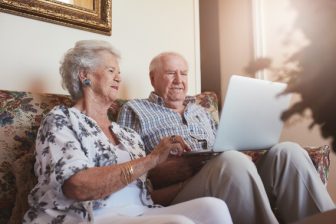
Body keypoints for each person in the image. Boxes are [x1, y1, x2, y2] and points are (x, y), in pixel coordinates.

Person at [22, 40, 233, 224]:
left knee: (213, 208)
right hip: (87, 216)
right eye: (111, 71)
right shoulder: (62, 120)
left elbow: (145, 195)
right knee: (178, 222)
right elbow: (77, 187)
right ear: (85, 75)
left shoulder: (126, 134)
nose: (118, 78)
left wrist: (195, 179)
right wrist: (152, 159)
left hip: (139, 212)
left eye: (119, 73)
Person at [117, 51, 335, 224]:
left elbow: (223, 144)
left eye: (183, 73)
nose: (178, 80)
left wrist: (241, 148)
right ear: (152, 78)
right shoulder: (134, 110)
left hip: (229, 172)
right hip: (179, 186)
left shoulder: (200, 110)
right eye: (170, 73)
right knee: (232, 160)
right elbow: (125, 170)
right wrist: (158, 169)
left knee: (288, 152)